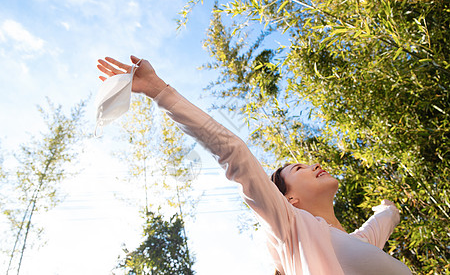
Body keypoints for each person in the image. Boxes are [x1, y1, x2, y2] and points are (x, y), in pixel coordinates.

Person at [97, 56, 412, 275]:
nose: (313, 164)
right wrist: (158, 90)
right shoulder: (292, 227)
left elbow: (386, 218)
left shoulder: (360, 242)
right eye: (299, 169)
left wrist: (387, 206)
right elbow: (234, 152)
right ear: (290, 201)